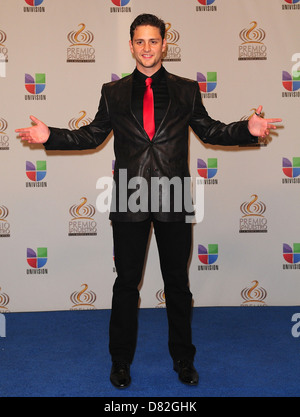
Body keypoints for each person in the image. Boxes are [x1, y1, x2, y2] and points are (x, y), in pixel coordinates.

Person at [16, 13, 281, 389]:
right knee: (126, 284)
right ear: (131, 46)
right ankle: (120, 362)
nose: (146, 48)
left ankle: (183, 360)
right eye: (139, 41)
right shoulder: (114, 93)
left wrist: (247, 130)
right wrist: (50, 136)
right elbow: (92, 135)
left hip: (173, 194)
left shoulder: (187, 90)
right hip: (130, 194)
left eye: (153, 41)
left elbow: (210, 131)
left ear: (164, 44)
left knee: (177, 284)